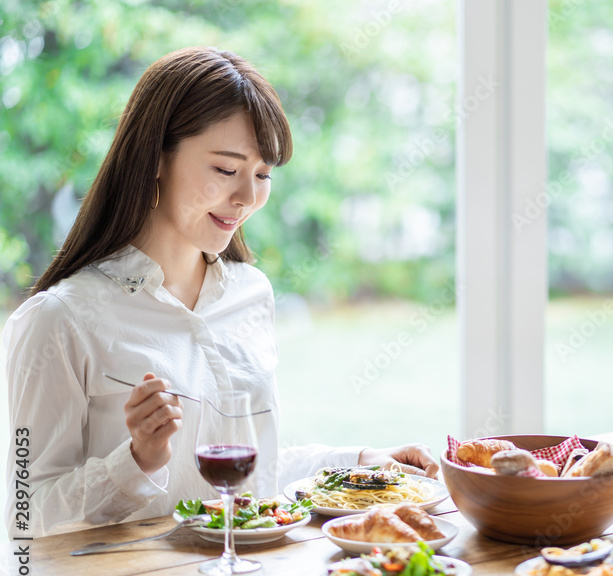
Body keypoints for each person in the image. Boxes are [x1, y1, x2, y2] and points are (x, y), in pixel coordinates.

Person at [3, 47, 438, 538]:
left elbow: (248, 474)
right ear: (155, 158)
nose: (248, 198)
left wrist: (358, 463)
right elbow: (26, 513)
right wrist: (136, 460)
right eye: (227, 170)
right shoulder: (60, 320)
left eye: (263, 175)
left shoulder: (250, 295)